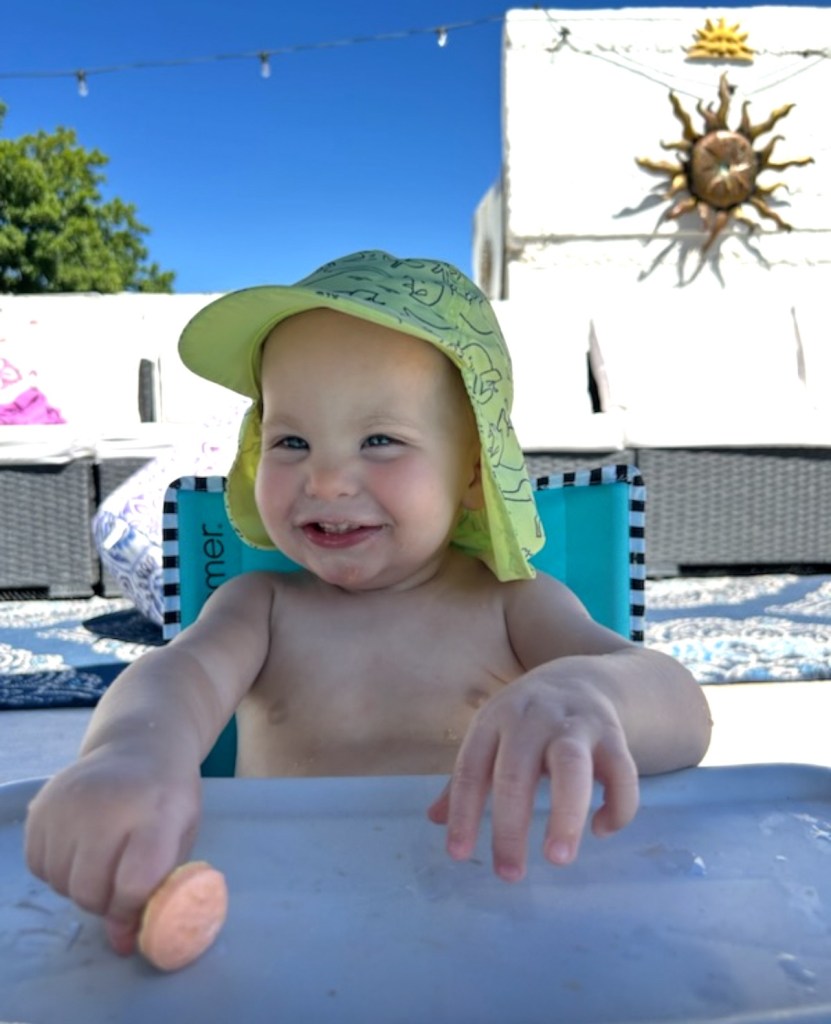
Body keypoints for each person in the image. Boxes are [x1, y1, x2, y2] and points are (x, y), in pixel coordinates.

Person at [25, 250, 712, 955]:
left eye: (380, 440)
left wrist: (592, 694)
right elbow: (179, 676)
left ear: (474, 472)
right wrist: (131, 752)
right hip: (285, 928)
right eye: (291, 440)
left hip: (489, 930)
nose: (325, 479)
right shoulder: (260, 606)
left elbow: (681, 707)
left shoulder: (515, 605)